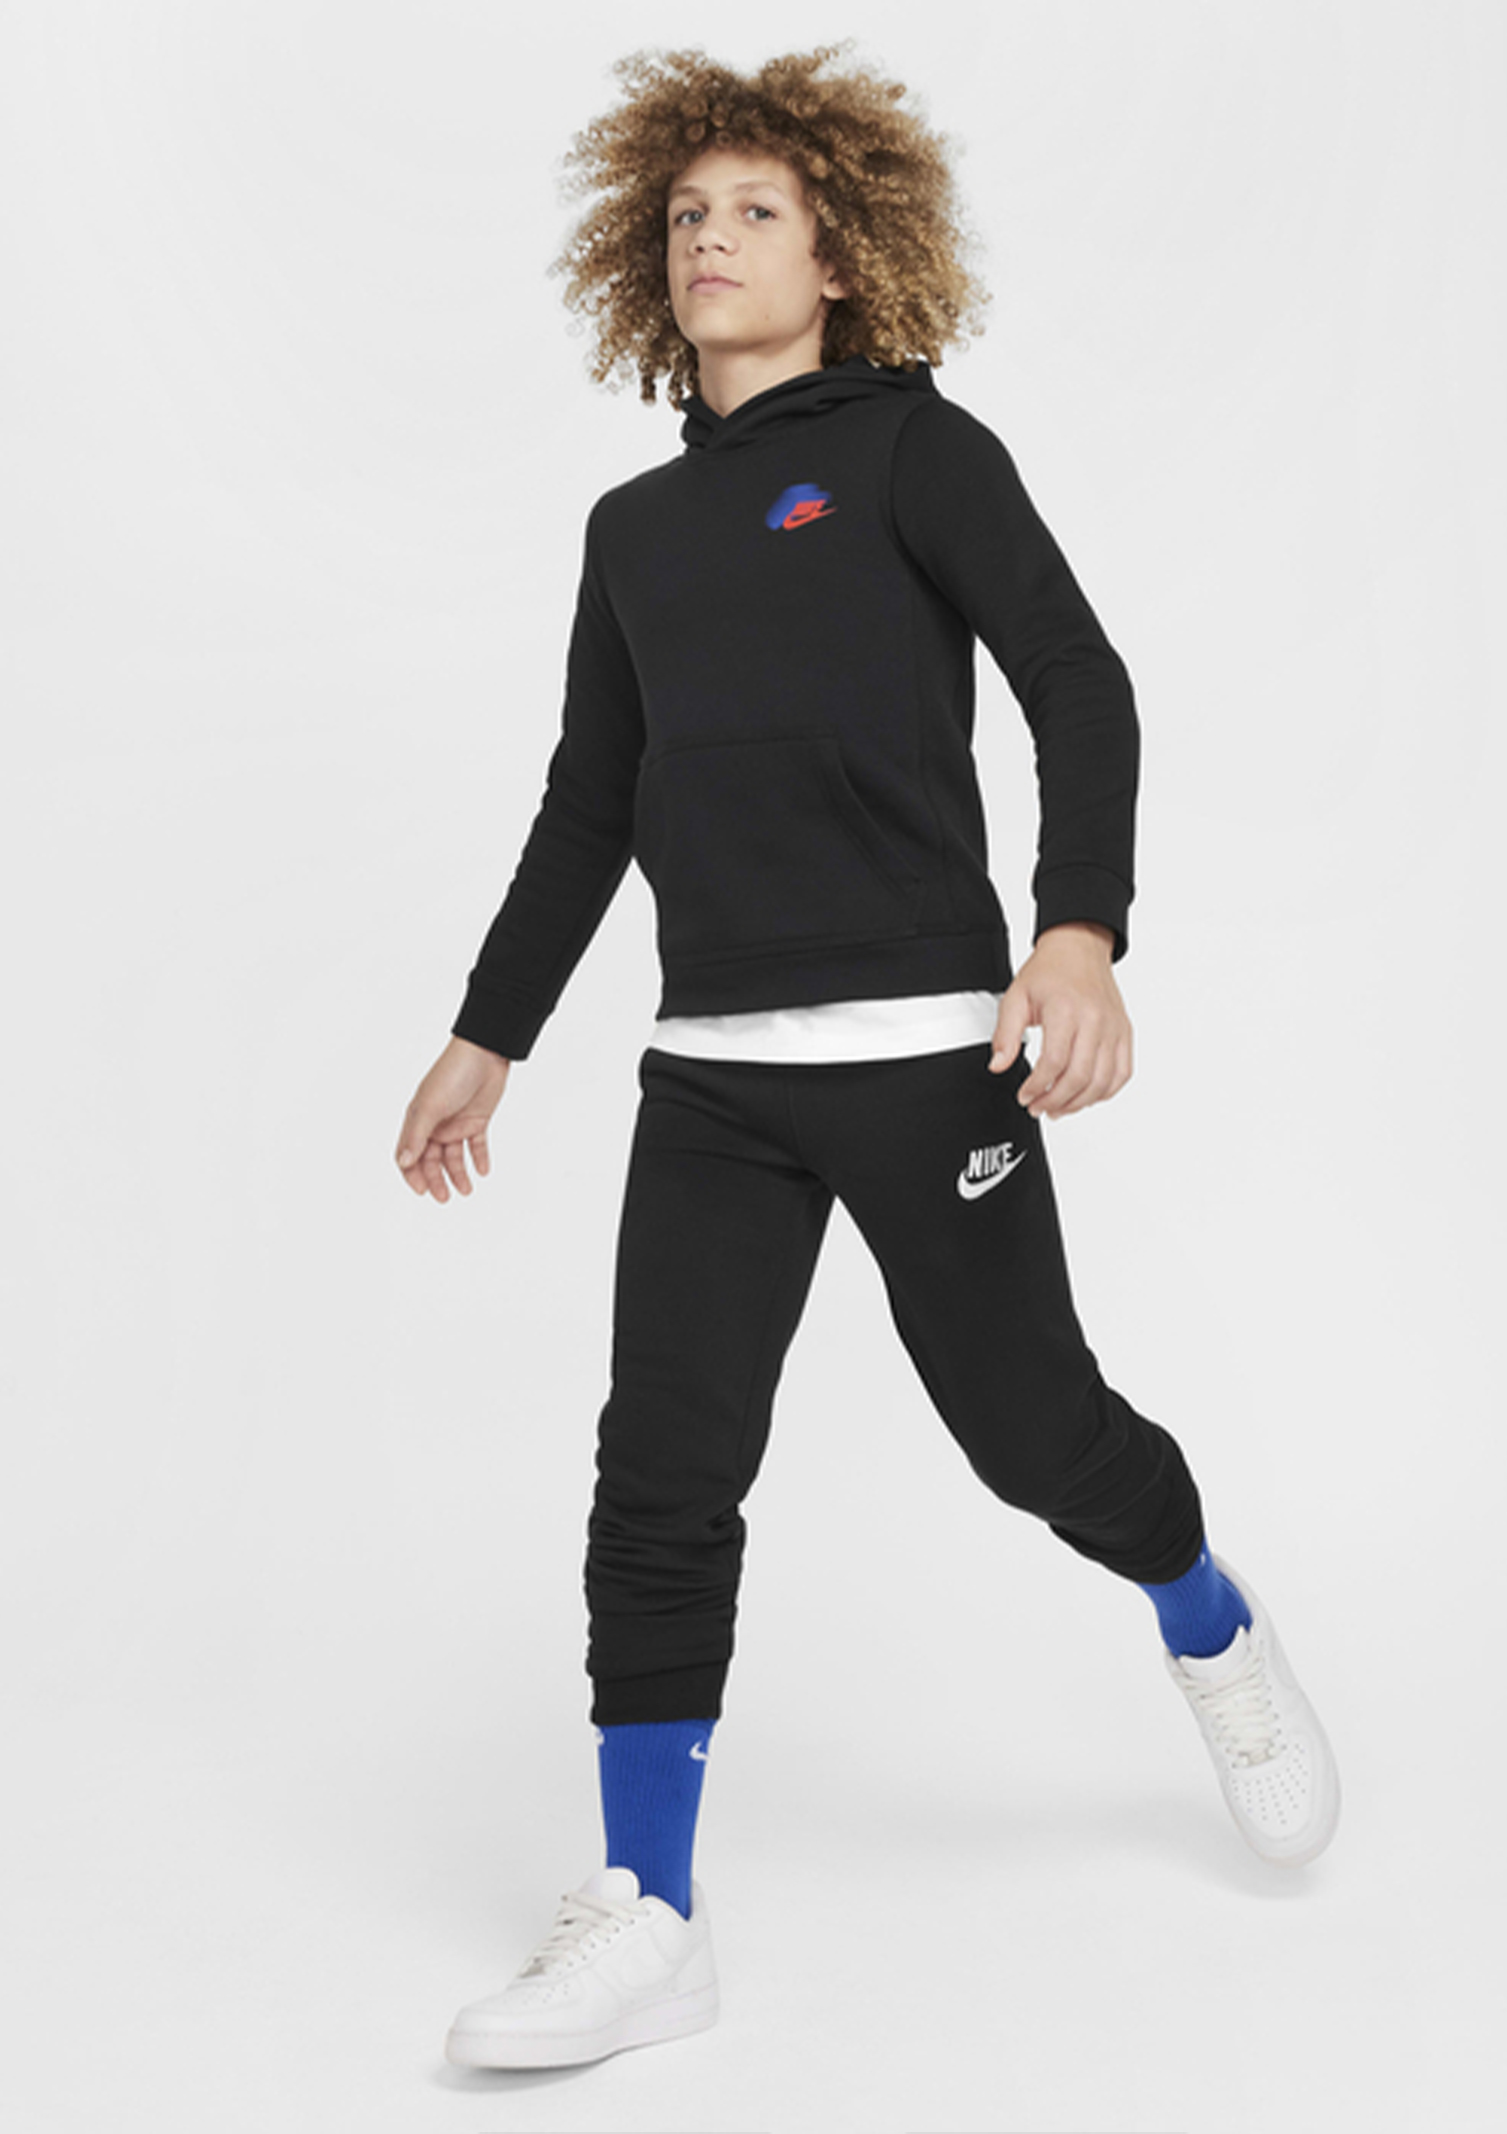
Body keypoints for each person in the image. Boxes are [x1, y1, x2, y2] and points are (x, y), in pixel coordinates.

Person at [395, 42, 1339, 2074]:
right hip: (711, 1071)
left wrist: (1075, 928)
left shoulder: (918, 454)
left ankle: (1204, 1615)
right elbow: (588, 802)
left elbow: (1075, 677)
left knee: (1036, 1438)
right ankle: (648, 1907)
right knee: (661, 1474)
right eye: (683, 215)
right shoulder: (633, 528)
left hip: (923, 1048)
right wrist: (489, 1034)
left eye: (753, 210)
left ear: (837, 258)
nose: (707, 238)